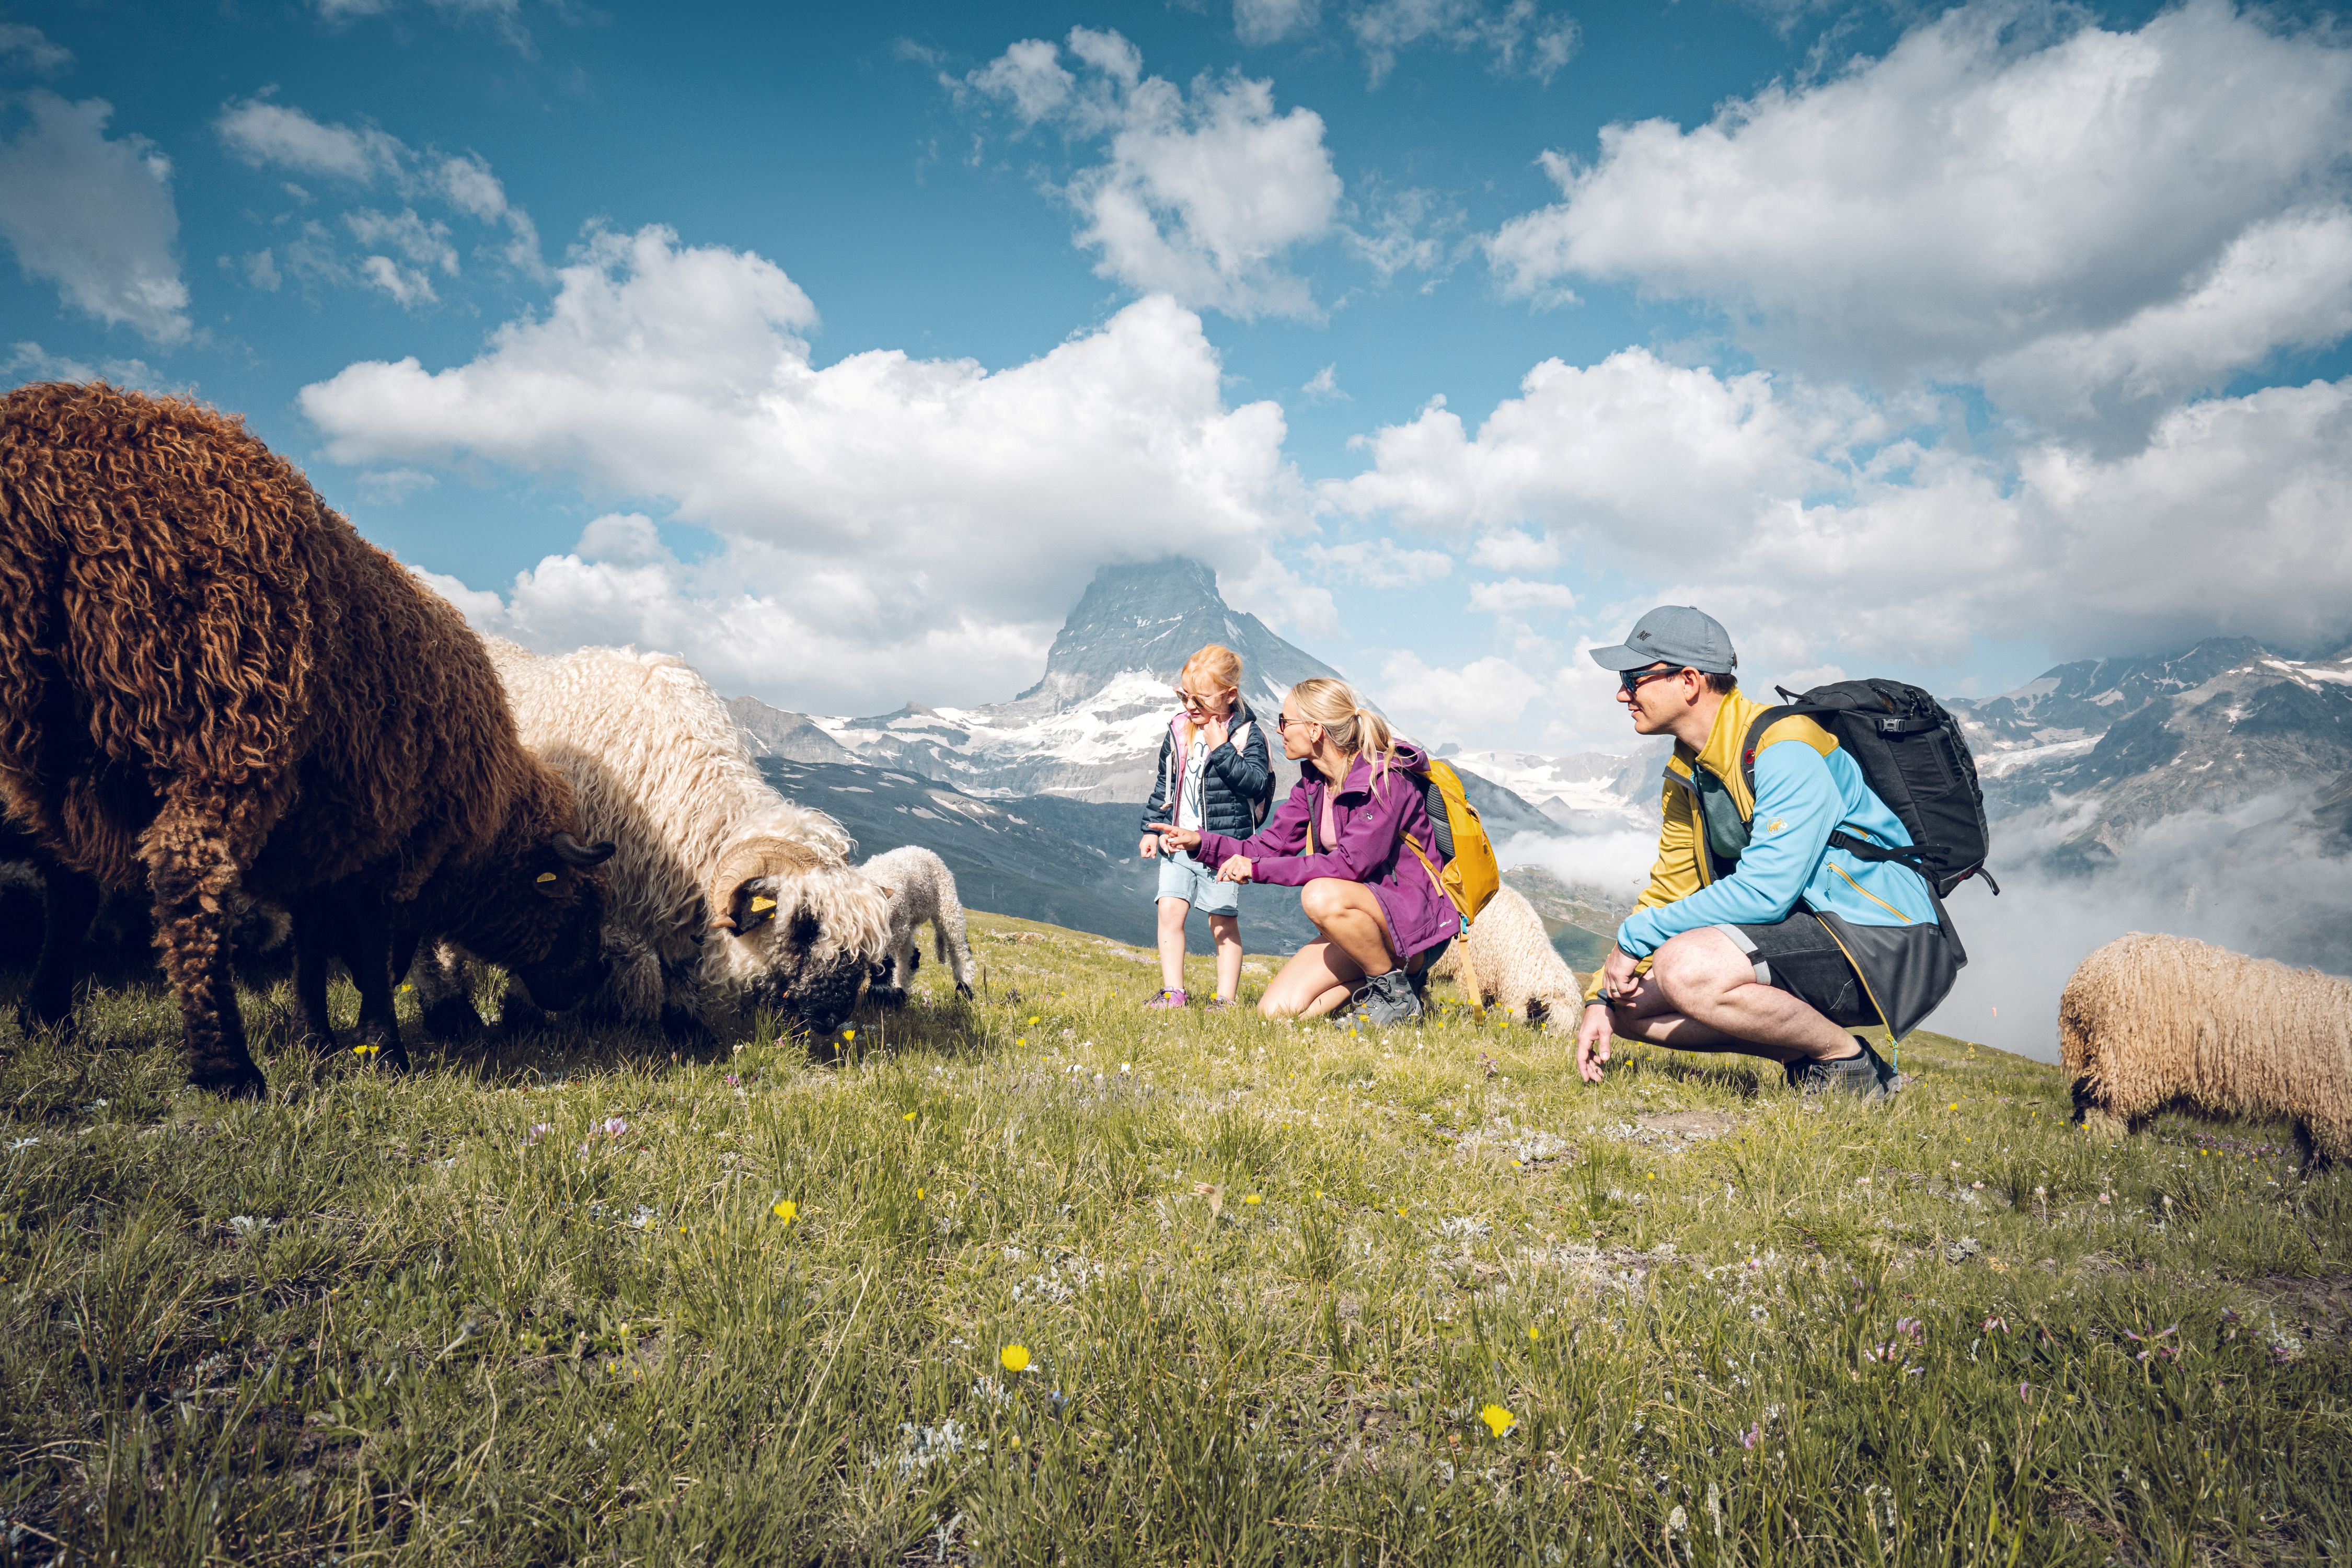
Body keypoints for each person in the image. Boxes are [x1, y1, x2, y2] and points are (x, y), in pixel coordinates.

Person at [1574, 606, 1961, 1098]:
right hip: (1802, 935)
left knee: (1685, 968)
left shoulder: (1788, 746)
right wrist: (1600, 998)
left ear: (1689, 681)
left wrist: (1635, 939)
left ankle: (1850, 1064)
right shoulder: (1687, 771)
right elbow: (1671, 888)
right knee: (1627, 1010)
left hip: (1881, 939)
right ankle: (1801, 1051)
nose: (1622, 693)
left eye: (1634, 677)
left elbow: (1766, 893)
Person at [1154, 676, 1456, 1027]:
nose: (1280, 731)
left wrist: (1256, 870)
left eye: (1285, 722)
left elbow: (1349, 865)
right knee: (1277, 1012)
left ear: (1315, 730)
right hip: (1366, 924)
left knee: (1320, 894)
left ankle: (1395, 995)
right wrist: (1201, 842)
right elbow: (1264, 847)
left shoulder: (1386, 781)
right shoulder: (1313, 783)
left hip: (1414, 924)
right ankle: (1401, 990)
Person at [1137, 645, 1273, 1009]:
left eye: (1200, 697)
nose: (1191, 705)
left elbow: (1255, 784)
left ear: (1230, 695)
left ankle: (1225, 999)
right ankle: (1173, 992)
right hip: (1177, 841)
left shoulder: (1247, 735)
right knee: (1169, 910)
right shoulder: (1179, 729)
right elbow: (1164, 786)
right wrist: (1152, 829)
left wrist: (1221, 749)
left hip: (1225, 848)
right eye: (1184, 695)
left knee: (1222, 922)